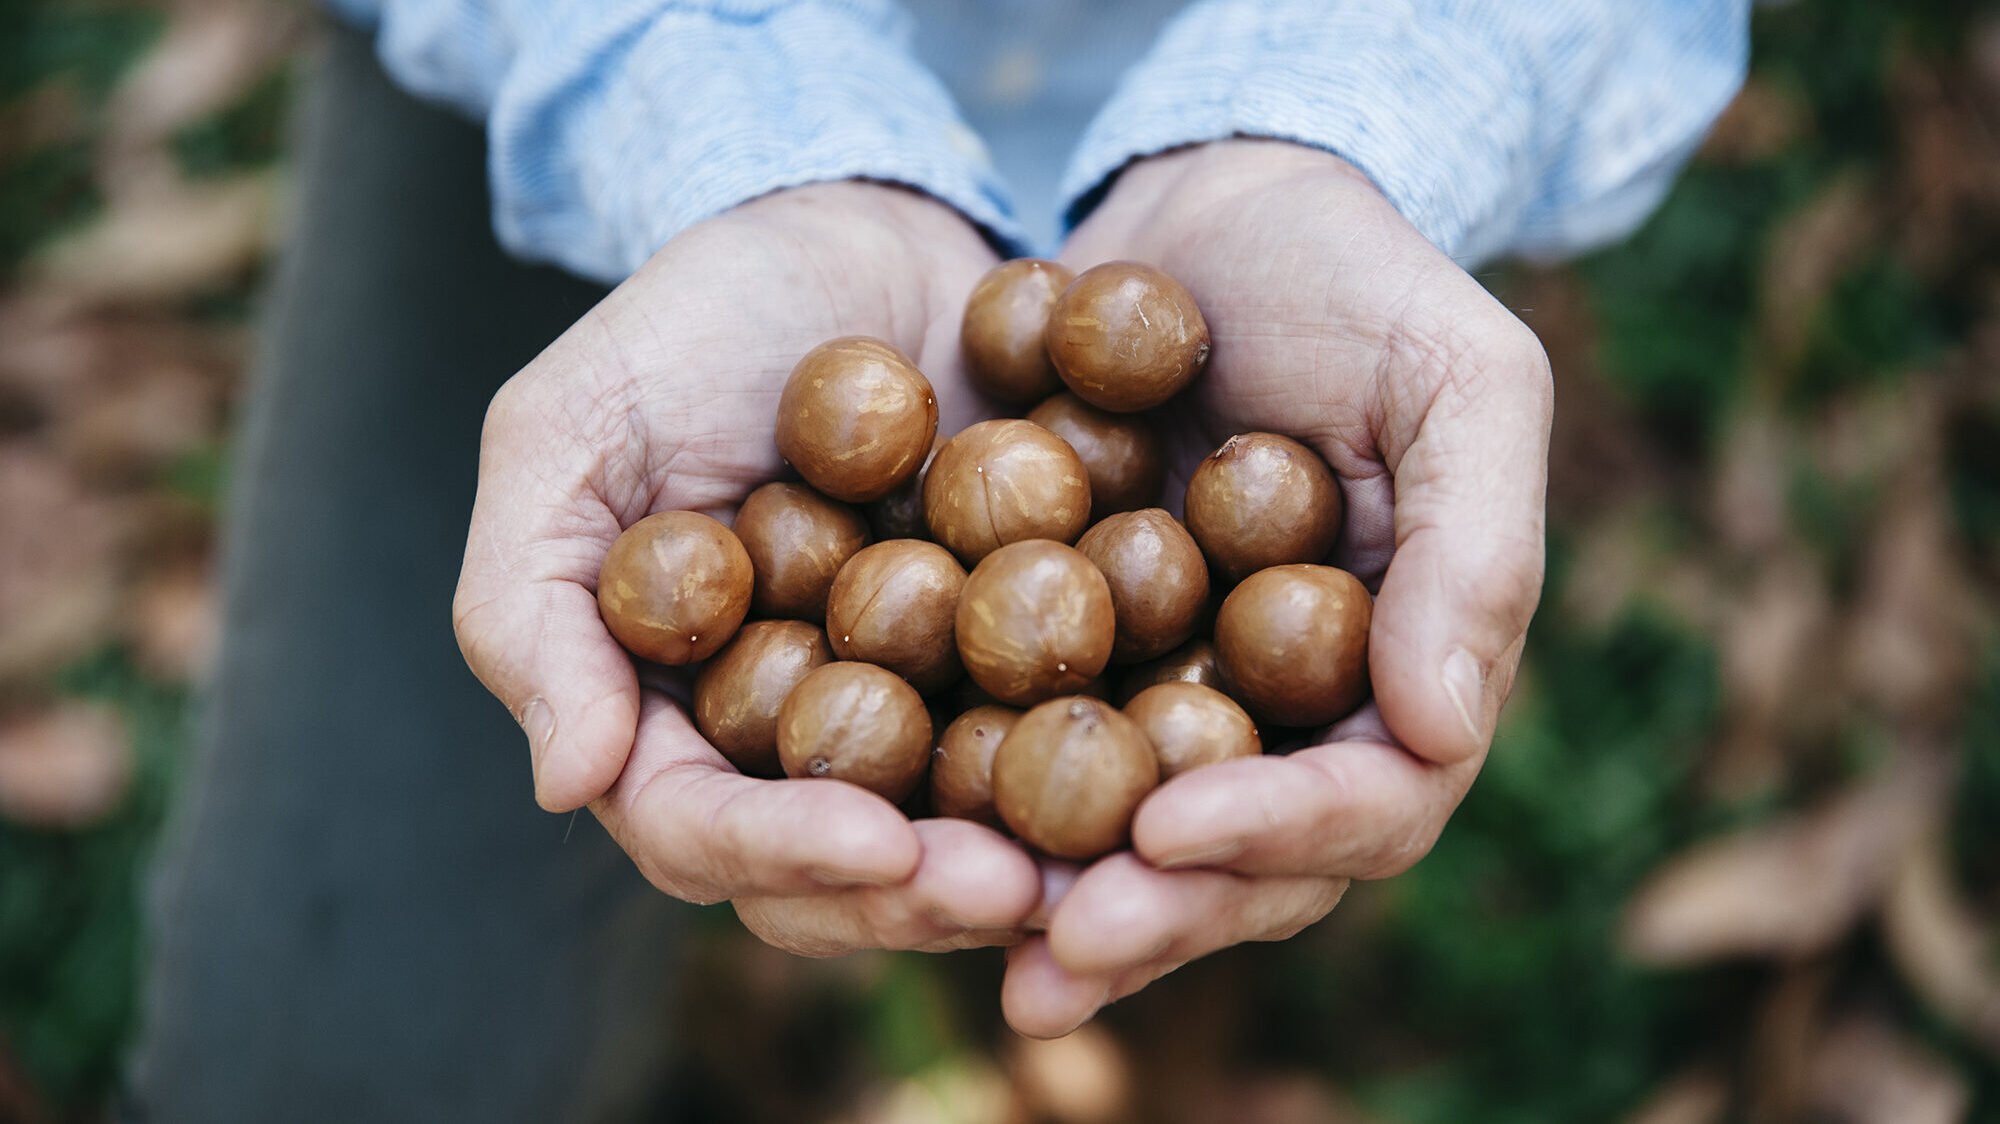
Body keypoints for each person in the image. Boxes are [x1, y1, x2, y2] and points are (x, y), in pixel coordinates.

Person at [128, 1, 1750, 1118]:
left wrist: (1325, 127)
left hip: (1331, 92)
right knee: (304, 1066)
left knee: (1199, 859)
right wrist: (732, 144)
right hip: (604, 67)